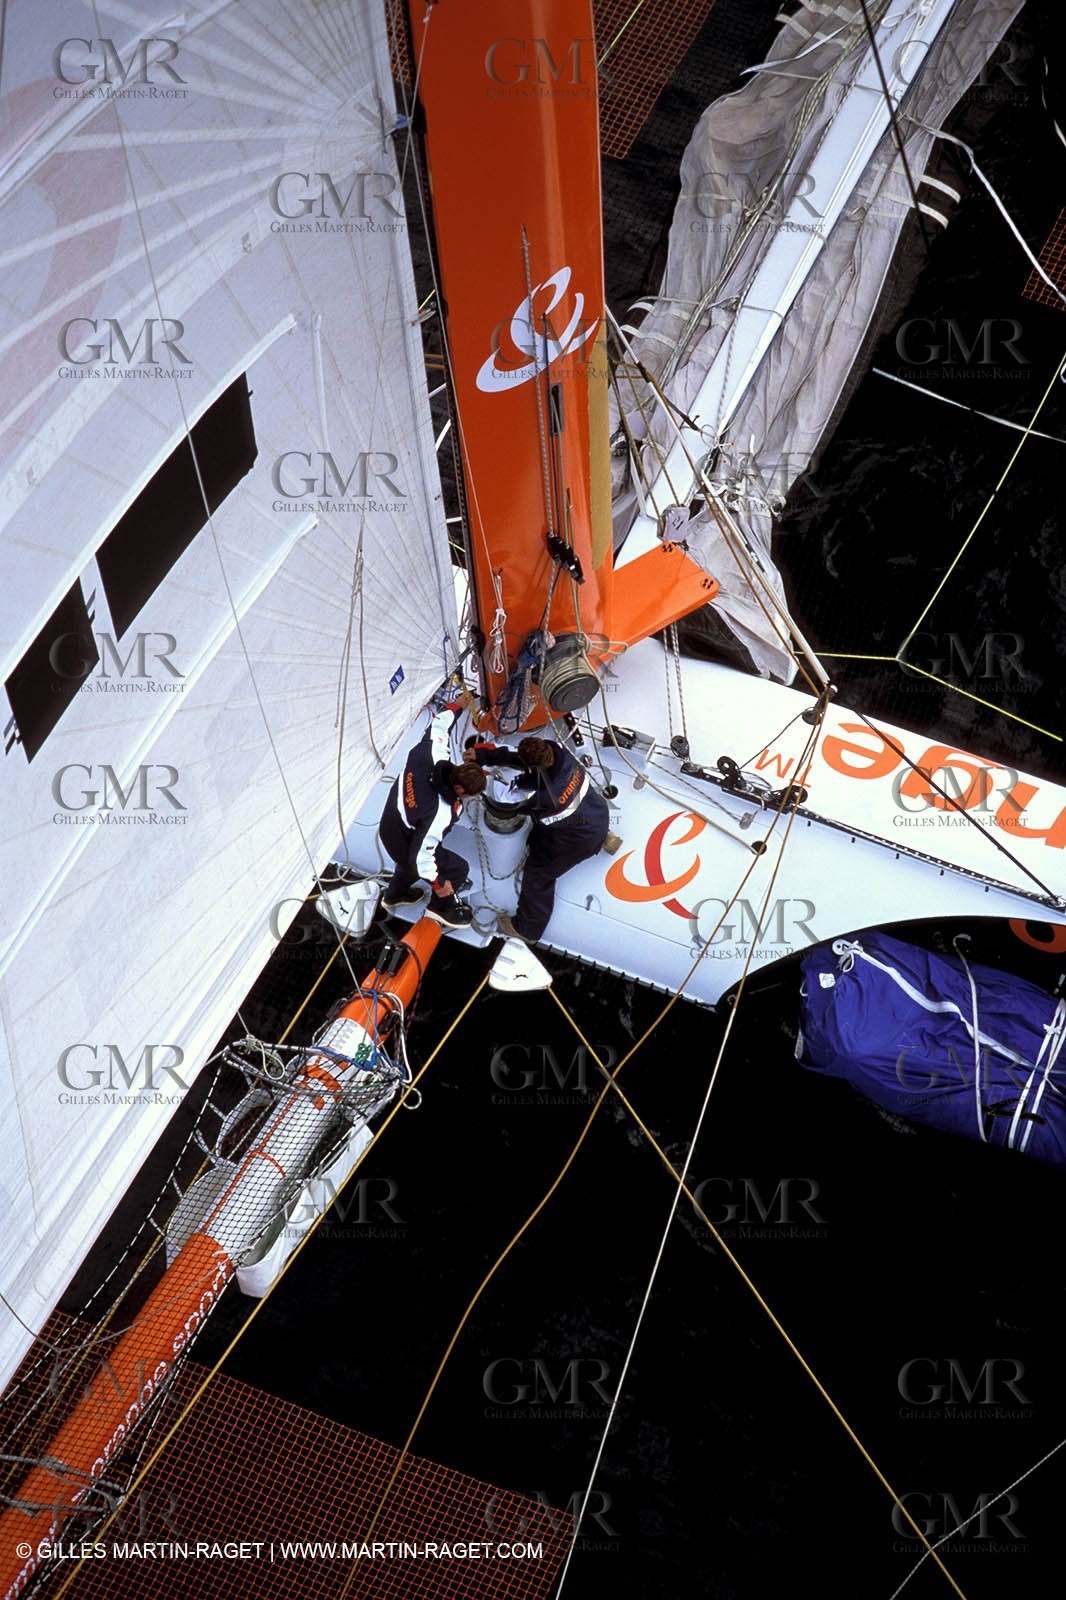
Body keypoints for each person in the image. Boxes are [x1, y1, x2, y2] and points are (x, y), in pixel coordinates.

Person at [469, 733, 609, 942]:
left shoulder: (547, 800)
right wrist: (481, 755)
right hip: (597, 814)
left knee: (538, 873)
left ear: (534, 767)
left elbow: (511, 807)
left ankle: (528, 929)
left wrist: (493, 785)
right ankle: (603, 836)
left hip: (580, 839)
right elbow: (521, 759)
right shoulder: (561, 754)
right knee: (543, 832)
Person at [379, 705, 486, 927]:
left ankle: (392, 898)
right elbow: (422, 858)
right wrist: (438, 885)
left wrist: (459, 705)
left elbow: (439, 724)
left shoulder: (429, 752)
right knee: (458, 868)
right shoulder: (439, 814)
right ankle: (439, 908)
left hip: (389, 820)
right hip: (402, 839)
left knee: (408, 864)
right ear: (460, 790)